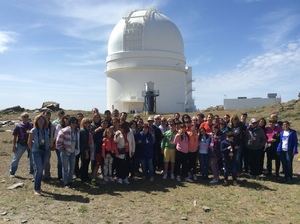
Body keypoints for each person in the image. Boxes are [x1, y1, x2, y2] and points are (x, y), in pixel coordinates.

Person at [27, 114, 50, 195]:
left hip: (45, 151)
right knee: (39, 169)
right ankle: (36, 189)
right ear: (36, 121)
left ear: (44, 121)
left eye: (42, 120)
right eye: (39, 120)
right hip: (36, 152)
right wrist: (33, 151)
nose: (41, 121)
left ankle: (38, 186)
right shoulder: (33, 130)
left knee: (40, 170)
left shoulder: (46, 130)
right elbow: (29, 143)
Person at [56, 117, 80, 187]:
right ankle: (65, 183)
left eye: (75, 122)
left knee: (72, 168)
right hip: (65, 152)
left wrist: (76, 149)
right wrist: (63, 150)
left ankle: (70, 181)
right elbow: (58, 143)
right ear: (69, 123)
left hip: (73, 152)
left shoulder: (77, 131)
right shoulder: (63, 130)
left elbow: (77, 141)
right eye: (73, 122)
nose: (74, 124)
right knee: (65, 168)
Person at [9, 112, 34, 177]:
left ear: (28, 118)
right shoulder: (18, 126)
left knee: (32, 159)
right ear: (21, 118)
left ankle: (32, 173)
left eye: (26, 117)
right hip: (21, 144)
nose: (25, 118)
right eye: (24, 117)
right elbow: (15, 136)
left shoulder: (31, 125)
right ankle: (12, 172)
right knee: (16, 158)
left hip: (30, 144)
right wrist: (14, 146)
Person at [53, 115, 69, 180]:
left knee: (66, 162)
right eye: (66, 118)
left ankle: (65, 176)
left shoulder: (70, 127)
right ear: (63, 119)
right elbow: (56, 136)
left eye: (68, 119)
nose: (67, 120)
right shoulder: (59, 126)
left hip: (67, 146)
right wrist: (54, 144)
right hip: (59, 146)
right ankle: (60, 176)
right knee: (60, 161)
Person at [79, 118, 94, 182]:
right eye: (86, 123)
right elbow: (85, 143)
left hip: (86, 150)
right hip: (85, 150)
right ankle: (84, 177)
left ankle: (85, 176)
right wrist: (87, 152)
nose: (88, 124)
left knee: (85, 164)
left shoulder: (86, 130)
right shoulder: (83, 131)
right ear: (83, 123)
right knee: (84, 164)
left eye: (88, 123)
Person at [42, 110, 55, 180]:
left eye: (49, 115)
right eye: (46, 114)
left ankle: (47, 175)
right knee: (39, 161)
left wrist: (52, 144)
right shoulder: (39, 124)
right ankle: (38, 175)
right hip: (39, 145)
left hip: (48, 145)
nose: (47, 116)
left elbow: (53, 135)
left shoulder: (51, 125)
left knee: (47, 161)